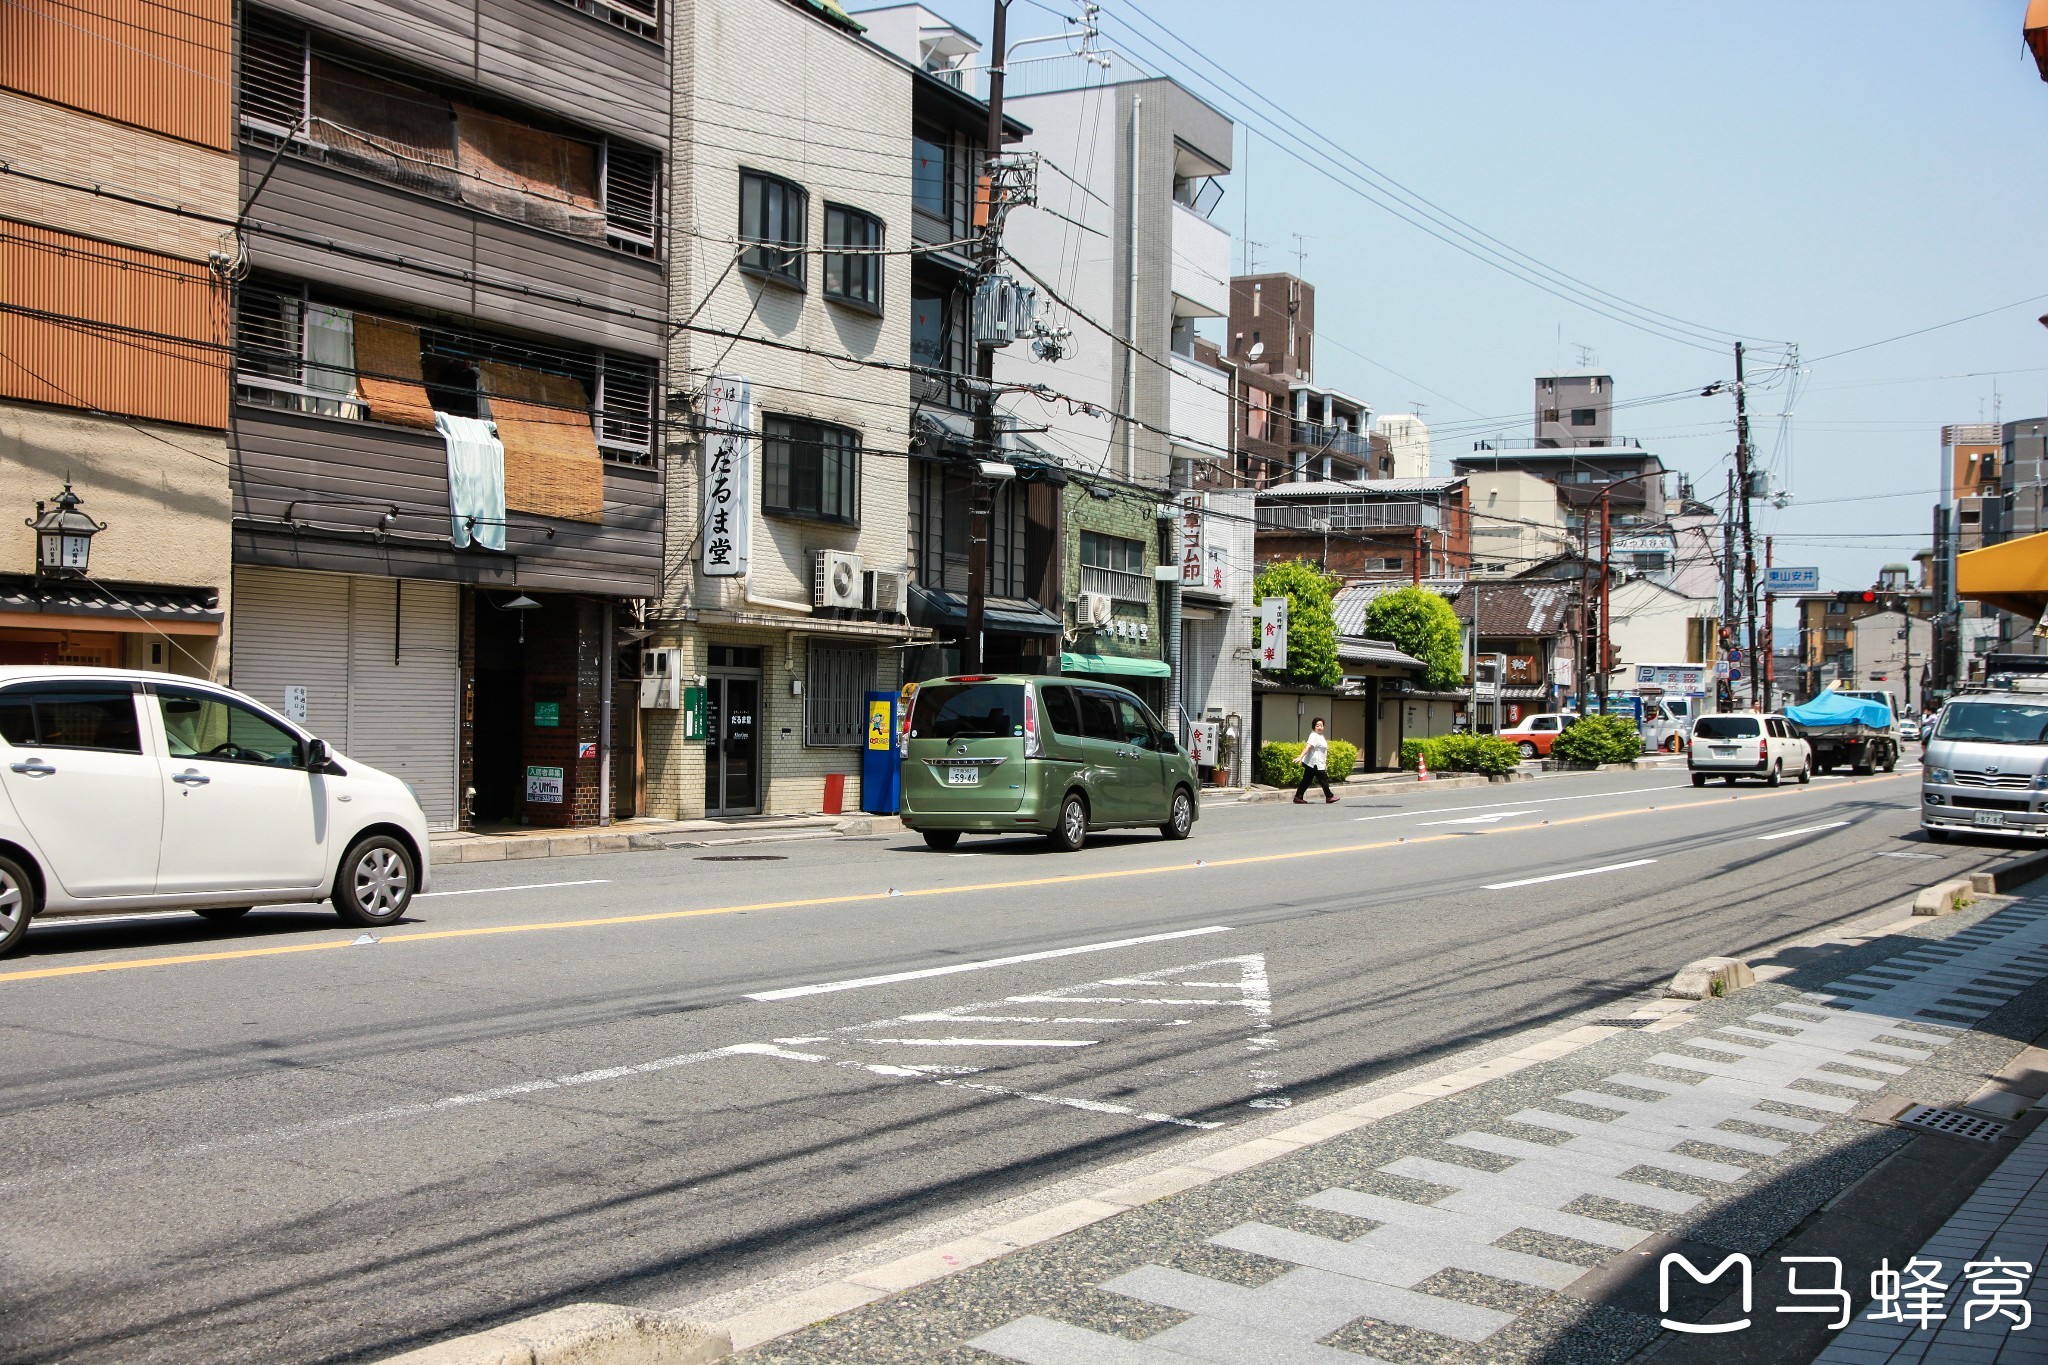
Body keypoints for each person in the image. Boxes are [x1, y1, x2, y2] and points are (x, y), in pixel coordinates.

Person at [1294, 717, 1336, 804]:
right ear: (1314, 727)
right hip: (1314, 763)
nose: (1320, 727)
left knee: (1306, 780)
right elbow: (1308, 747)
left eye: (1321, 725)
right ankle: (1329, 796)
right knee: (1323, 779)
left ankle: (1298, 797)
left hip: (1317, 763)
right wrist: (1300, 757)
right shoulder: (1314, 736)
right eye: (1317, 726)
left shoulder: (1320, 736)